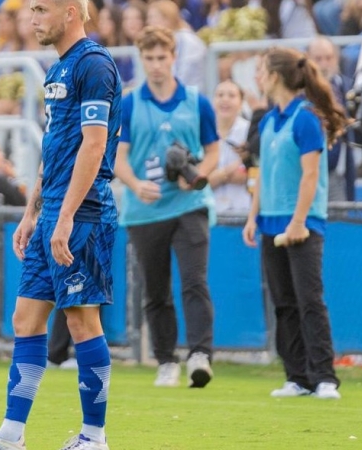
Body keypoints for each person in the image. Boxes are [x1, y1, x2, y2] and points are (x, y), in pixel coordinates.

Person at [0, 0, 122, 445]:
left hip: (83, 212)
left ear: (71, 11)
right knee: (26, 318)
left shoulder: (94, 65)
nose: (32, 19)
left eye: (41, 9)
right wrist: (32, 211)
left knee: (83, 320)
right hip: (51, 212)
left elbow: (93, 145)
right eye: (31, 10)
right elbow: (54, 149)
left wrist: (64, 216)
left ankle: (93, 437)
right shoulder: (58, 71)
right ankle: (11, 435)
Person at [114, 25, 219, 388]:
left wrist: (199, 174)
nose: (156, 65)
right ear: (141, 60)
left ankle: (200, 354)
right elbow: (118, 156)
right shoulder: (128, 103)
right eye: (149, 58)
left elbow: (215, 149)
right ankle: (165, 360)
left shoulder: (197, 102)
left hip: (190, 203)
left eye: (162, 57)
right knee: (155, 289)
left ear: (174, 57)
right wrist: (134, 183)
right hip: (145, 209)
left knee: (194, 281)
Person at [242, 46, 346, 399]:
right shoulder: (269, 119)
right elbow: (263, 175)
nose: (257, 77)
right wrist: (253, 217)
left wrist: (299, 222)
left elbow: (310, 175)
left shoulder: (306, 118)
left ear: (274, 76)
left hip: (303, 224)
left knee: (310, 300)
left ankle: (325, 377)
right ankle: (297, 377)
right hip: (271, 224)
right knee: (283, 303)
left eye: (260, 70)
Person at [306, 36, 356, 201]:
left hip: (338, 175)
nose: (324, 64)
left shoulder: (350, 88)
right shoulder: (301, 93)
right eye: (318, 59)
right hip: (308, 172)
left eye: (328, 57)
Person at [209, 79, 251, 215]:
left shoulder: (250, 131)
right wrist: (236, 167)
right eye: (220, 95)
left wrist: (218, 175)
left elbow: (251, 174)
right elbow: (199, 180)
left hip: (243, 211)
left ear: (241, 103)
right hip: (212, 212)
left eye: (231, 96)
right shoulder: (204, 131)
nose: (225, 100)